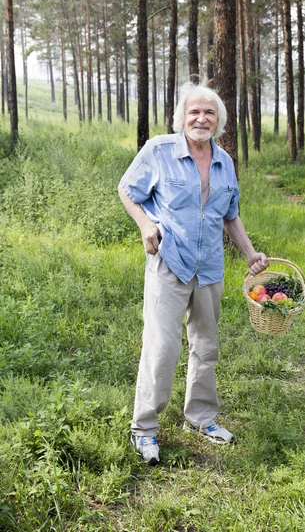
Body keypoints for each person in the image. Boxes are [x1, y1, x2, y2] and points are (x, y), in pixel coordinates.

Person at [118, 80, 268, 465]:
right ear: (182, 117)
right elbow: (127, 190)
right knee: (163, 347)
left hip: (210, 268)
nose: (201, 118)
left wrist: (250, 254)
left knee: (206, 346)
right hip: (171, 263)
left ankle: (200, 418)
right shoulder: (159, 151)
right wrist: (145, 225)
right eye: (194, 112)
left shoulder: (225, 161)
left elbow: (230, 215)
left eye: (209, 113)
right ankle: (144, 428)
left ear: (219, 121)